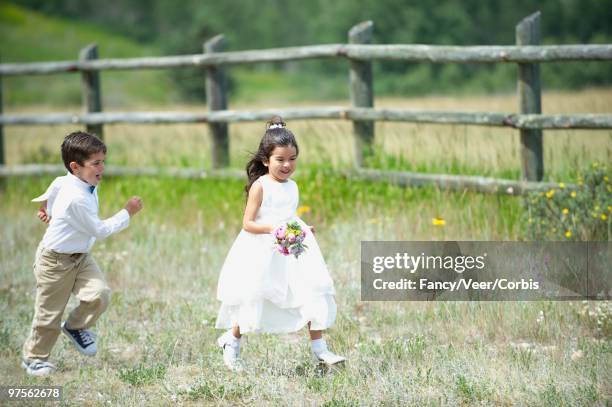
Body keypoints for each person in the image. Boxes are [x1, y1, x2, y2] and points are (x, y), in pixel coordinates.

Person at [215, 116, 345, 371]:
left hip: (292, 248)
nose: (287, 165)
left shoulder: (293, 186)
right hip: (262, 249)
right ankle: (231, 340)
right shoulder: (260, 186)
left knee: (311, 290)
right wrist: (274, 229)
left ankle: (321, 350)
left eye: (292, 159)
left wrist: (303, 228)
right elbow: (248, 223)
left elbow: (289, 216)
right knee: (255, 296)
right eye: (280, 159)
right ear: (266, 160)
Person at [21, 131, 143, 376]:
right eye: (96, 163)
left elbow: (53, 188)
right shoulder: (77, 198)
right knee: (48, 314)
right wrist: (127, 212)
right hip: (55, 261)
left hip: (80, 257)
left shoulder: (77, 181)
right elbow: (99, 230)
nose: (102, 167)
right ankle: (33, 358)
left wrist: (48, 209)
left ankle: (75, 327)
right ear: (75, 167)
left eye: (103, 161)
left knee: (99, 295)